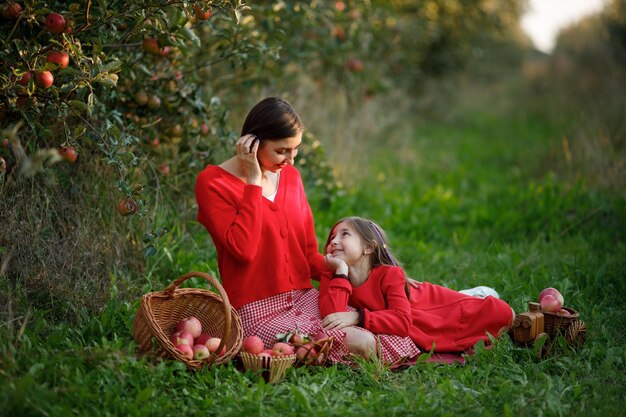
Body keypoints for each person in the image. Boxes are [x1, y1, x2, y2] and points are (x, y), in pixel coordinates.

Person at [195, 97, 411, 363]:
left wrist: (357, 278)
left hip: (305, 297)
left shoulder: (291, 178)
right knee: (362, 341)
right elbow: (244, 250)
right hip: (258, 311)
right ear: (252, 144)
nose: (291, 160)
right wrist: (253, 181)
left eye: (295, 150)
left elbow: (309, 256)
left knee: (382, 325)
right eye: (282, 151)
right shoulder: (212, 183)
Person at [319, 216, 514, 355]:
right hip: (412, 321)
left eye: (344, 235)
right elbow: (332, 319)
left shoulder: (390, 274)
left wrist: (358, 316)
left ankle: (475, 296)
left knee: (504, 314)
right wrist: (341, 274)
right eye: (331, 239)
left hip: (431, 306)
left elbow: (402, 322)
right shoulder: (335, 276)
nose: (333, 242)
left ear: (369, 247)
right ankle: (471, 296)